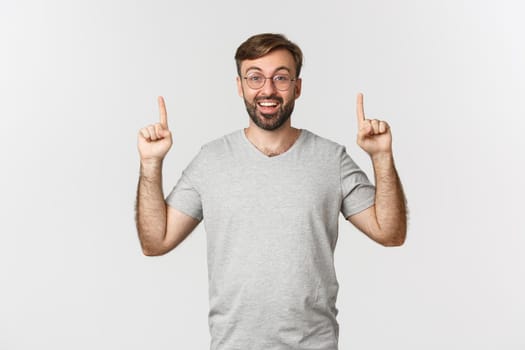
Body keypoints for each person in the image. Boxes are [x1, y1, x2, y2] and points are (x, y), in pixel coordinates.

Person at [135, 33, 407, 350]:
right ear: (239, 86)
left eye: (281, 78)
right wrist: (151, 164)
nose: (268, 89)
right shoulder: (211, 160)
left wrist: (381, 157)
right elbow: (155, 242)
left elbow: (390, 233)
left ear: (297, 87)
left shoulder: (331, 159)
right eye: (255, 77)